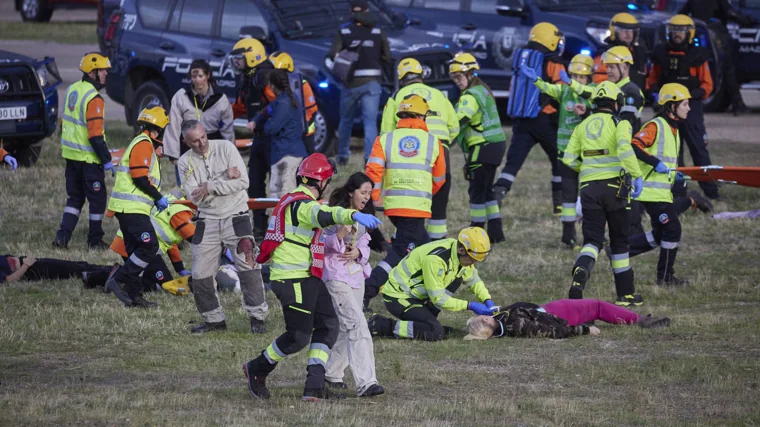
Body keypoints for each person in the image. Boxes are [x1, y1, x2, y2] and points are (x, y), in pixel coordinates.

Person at [243, 153, 383, 402]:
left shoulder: (297, 200)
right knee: (297, 337)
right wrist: (352, 216)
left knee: (329, 325)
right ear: (322, 181)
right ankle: (257, 367)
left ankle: (314, 386)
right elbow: (323, 216)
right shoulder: (300, 203)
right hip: (291, 278)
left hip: (307, 276)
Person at [177, 120, 269, 334]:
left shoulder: (226, 148)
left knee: (248, 264)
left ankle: (257, 318)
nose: (202, 144)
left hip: (236, 214)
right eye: (195, 141)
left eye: (203, 137)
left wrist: (210, 187)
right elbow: (196, 199)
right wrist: (223, 178)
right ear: (186, 142)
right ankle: (214, 320)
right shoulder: (184, 163)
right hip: (207, 219)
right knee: (200, 273)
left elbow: (243, 183)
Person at [562, 81, 644, 307]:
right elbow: (625, 149)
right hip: (614, 189)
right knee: (619, 241)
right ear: (617, 103)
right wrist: (636, 175)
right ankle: (625, 295)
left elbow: (569, 159)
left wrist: (588, 169)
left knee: (592, 240)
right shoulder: (621, 122)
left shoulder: (583, 125)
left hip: (588, 189)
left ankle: (580, 272)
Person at [363, 94, 446, 309]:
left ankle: (426, 294)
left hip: (393, 208)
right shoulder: (433, 142)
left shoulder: (385, 139)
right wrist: (423, 194)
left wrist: (374, 199)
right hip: (416, 208)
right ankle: (366, 291)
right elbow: (439, 179)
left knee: (425, 249)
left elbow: (373, 172)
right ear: (422, 115)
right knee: (401, 252)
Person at [518, 54, 594, 249]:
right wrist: (536, 79)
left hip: (588, 154)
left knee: (590, 196)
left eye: (581, 77)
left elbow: (595, 105)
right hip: (566, 154)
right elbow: (549, 88)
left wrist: (585, 112)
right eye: (574, 76)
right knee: (568, 199)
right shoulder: (565, 92)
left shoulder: (593, 92)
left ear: (589, 79)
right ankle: (568, 239)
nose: (577, 81)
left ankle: (592, 238)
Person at [368, 227, 496, 341]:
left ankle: (427, 322)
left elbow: (473, 280)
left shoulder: (456, 252)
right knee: (436, 333)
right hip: (398, 298)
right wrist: (470, 305)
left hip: (416, 297)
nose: (473, 264)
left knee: (457, 278)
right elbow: (438, 298)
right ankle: (381, 325)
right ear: (462, 250)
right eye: (472, 260)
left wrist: (487, 299)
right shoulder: (436, 260)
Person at [381, 57, 459, 240]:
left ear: (401, 79)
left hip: (410, 152)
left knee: (410, 199)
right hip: (440, 150)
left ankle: (406, 240)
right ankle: (437, 243)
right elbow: (454, 127)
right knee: (439, 203)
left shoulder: (397, 96)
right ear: (421, 75)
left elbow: (386, 132)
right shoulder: (439, 95)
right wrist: (445, 145)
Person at [322, 172, 385, 398]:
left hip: (356, 277)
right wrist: (338, 236)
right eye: (363, 192)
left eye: (369, 193)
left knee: (344, 327)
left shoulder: (364, 217)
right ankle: (366, 383)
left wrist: (359, 252)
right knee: (358, 326)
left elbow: (367, 247)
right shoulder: (333, 214)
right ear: (351, 192)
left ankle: (332, 373)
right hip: (335, 277)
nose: (367, 197)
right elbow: (321, 245)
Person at [495, 22, 566, 216]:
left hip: (522, 120)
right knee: (558, 161)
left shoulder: (521, 59)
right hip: (546, 120)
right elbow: (562, 91)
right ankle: (559, 204)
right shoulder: (553, 63)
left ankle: (498, 193)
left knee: (512, 164)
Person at [647, 14, 719, 200]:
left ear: (690, 33)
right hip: (667, 110)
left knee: (699, 151)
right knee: (672, 154)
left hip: (690, 108)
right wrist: (655, 95)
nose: (677, 34)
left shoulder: (698, 55)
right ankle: (677, 192)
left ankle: (711, 192)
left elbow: (707, 85)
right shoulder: (660, 53)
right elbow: (652, 81)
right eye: (674, 30)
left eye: (681, 31)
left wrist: (689, 97)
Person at [104, 107, 170, 308]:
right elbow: (140, 177)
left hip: (129, 208)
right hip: (132, 209)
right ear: (159, 128)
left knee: (135, 251)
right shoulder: (144, 144)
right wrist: (158, 197)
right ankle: (119, 279)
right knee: (149, 247)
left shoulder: (145, 143)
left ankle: (134, 297)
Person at [628, 83, 693, 286]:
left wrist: (675, 175)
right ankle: (665, 278)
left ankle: (620, 250)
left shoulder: (674, 129)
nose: (688, 108)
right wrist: (656, 164)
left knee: (660, 233)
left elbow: (666, 161)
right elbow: (634, 145)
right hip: (650, 193)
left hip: (661, 193)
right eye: (684, 104)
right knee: (673, 229)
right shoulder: (655, 125)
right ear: (672, 106)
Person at [53, 52, 114, 250]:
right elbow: (95, 135)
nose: (105, 73)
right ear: (92, 72)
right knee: (97, 200)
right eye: (102, 70)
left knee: (75, 199)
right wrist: (106, 160)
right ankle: (94, 241)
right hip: (89, 160)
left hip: (71, 158)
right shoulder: (94, 98)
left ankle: (62, 238)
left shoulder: (73, 89)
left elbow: (64, 123)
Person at [449, 52, 507, 243]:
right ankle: (496, 232)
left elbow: (461, 118)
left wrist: (445, 134)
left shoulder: (470, 96)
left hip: (481, 148)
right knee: (487, 189)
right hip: (496, 146)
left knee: (476, 191)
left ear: (471, 73)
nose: (456, 81)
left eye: (459, 76)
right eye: (454, 77)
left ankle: (476, 231)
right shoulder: (483, 90)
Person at [328, 0, 392, 165]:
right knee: (370, 122)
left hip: (351, 83)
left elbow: (332, 54)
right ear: (367, 9)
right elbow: (387, 57)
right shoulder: (378, 30)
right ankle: (369, 158)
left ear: (351, 11)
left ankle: (342, 156)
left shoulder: (344, 30)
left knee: (346, 120)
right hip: (372, 83)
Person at [678, 0, 758, 115]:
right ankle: (738, 104)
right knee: (728, 70)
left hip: (702, 36)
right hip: (717, 36)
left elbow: (681, 14)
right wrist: (748, 21)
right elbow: (731, 13)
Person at [229, 37, 273, 240]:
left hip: (274, 140)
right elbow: (239, 106)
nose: (236, 63)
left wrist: (261, 118)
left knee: (278, 186)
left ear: (252, 56)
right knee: (254, 184)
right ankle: (260, 228)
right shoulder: (248, 79)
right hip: (259, 139)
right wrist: (219, 114)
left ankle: (278, 229)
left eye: (239, 58)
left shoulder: (266, 78)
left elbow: (281, 105)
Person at [162, 59, 234, 181]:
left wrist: (231, 156)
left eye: (200, 76)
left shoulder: (220, 99)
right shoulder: (181, 96)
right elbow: (173, 126)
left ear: (208, 75)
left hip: (212, 148)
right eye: (193, 76)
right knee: (187, 189)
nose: (197, 80)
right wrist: (173, 154)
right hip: (187, 148)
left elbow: (228, 130)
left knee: (212, 189)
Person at [464, 299, 671, 340]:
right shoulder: (515, 326)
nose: (482, 315)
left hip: (551, 309)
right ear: (487, 324)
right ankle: (640, 321)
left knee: (595, 308)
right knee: (597, 306)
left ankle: (637, 319)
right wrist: (583, 330)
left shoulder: (500, 319)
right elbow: (553, 332)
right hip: (559, 316)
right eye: (481, 318)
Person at [110, 193, 195, 292]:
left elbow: (170, 241)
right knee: (166, 286)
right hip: (140, 246)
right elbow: (197, 239)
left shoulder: (174, 201)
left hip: (131, 241)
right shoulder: (180, 211)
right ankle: (115, 277)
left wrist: (179, 268)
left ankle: (94, 275)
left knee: (140, 278)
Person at [253, 69, 307, 199]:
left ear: (271, 85)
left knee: (282, 197)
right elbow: (270, 108)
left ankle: (284, 220)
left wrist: (265, 124)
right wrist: (257, 119)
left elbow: (271, 128)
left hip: (286, 156)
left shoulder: (283, 104)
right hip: (292, 152)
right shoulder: (290, 98)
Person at [268, 51, 319, 154]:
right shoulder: (271, 87)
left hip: (304, 135)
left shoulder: (302, 85)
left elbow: (312, 109)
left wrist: (302, 127)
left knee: (308, 162)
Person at [592, 13, 648, 91]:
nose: (628, 34)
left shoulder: (639, 53)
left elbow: (644, 79)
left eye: (631, 30)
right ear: (614, 31)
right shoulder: (606, 55)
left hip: (637, 98)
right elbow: (598, 82)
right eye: (623, 30)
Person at [1, 254, 112, 287]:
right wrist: (25, 265)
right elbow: (9, 280)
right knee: (75, 270)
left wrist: (21, 258)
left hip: (31, 263)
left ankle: (117, 270)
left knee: (78, 265)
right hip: (31, 270)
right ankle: (114, 275)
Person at [602, 46, 644, 131]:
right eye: (607, 67)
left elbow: (625, 121)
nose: (608, 71)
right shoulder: (608, 88)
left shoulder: (632, 92)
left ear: (625, 67)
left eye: (612, 67)